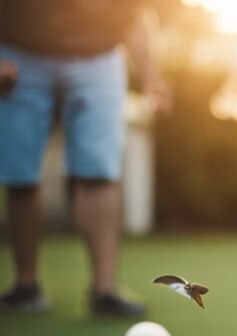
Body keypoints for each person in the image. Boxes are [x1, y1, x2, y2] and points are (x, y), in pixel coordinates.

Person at [0, 0, 170, 316]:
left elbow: (134, 11)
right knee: (19, 172)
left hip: (100, 54)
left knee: (100, 171)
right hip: (19, 53)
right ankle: (26, 286)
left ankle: (104, 290)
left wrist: (152, 76)